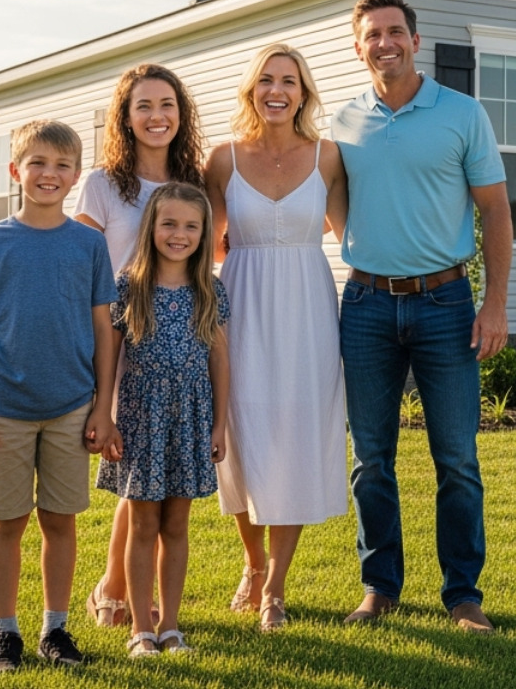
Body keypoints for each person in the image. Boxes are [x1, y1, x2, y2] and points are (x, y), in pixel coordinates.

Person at [332, 0, 511, 634]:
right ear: (359, 47)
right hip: (365, 304)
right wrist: (363, 245)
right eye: (373, 34)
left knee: (456, 457)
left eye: (395, 32)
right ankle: (379, 586)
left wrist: (494, 305)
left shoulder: (462, 115)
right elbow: (333, 199)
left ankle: (463, 594)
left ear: (415, 39)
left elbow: (494, 211)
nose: (385, 43)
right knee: (370, 457)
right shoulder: (343, 122)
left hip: (446, 302)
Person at [0, 119, 118, 674]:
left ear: (76, 175)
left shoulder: (89, 245)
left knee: (59, 520)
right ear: (15, 171)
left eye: (62, 165)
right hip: (3, 410)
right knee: (7, 521)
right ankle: (6, 635)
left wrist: (102, 406)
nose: (49, 174)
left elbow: (103, 330)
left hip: (72, 406)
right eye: (38, 163)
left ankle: (56, 628)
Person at [205, 43, 349, 631]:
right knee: (242, 435)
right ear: (251, 89)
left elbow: (353, 235)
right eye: (266, 80)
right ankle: (252, 561)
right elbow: (204, 243)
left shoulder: (329, 157)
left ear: (304, 91)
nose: (277, 90)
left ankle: (276, 588)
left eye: (288, 80)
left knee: (293, 437)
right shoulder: (222, 160)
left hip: (308, 308)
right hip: (238, 303)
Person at [74, 63, 207, 630]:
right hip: (110, 336)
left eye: (167, 105)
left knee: (148, 476)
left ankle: (118, 587)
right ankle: (116, 585)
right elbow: (78, 263)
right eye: (144, 107)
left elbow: (203, 252)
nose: (157, 117)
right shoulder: (103, 184)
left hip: (171, 341)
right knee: (133, 474)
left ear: (182, 114)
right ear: (124, 118)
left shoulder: (195, 181)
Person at [94, 182, 230, 657]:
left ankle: (170, 626)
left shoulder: (209, 289)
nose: (180, 234)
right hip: (139, 418)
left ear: (204, 232)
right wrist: (105, 417)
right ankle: (140, 629)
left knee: (177, 524)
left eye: (191, 226)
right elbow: (108, 361)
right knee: (142, 524)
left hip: (191, 418)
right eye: (169, 224)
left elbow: (219, 360)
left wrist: (219, 424)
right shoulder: (127, 286)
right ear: (151, 227)